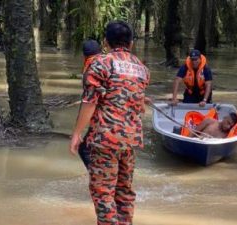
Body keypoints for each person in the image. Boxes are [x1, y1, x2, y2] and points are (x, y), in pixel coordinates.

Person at [69, 20, 150, 225]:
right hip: (131, 141)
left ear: (105, 42)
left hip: (106, 139)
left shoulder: (100, 63)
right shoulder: (141, 68)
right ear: (131, 43)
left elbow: (90, 103)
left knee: (103, 192)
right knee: (124, 191)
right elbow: (139, 106)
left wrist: (77, 134)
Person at [78, 39, 102, 169]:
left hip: (102, 119)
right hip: (125, 121)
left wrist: (77, 132)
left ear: (84, 55)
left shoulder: (90, 69)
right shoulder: (108, 62)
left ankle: (96, 177)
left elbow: (89, 102)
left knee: (84, 149)